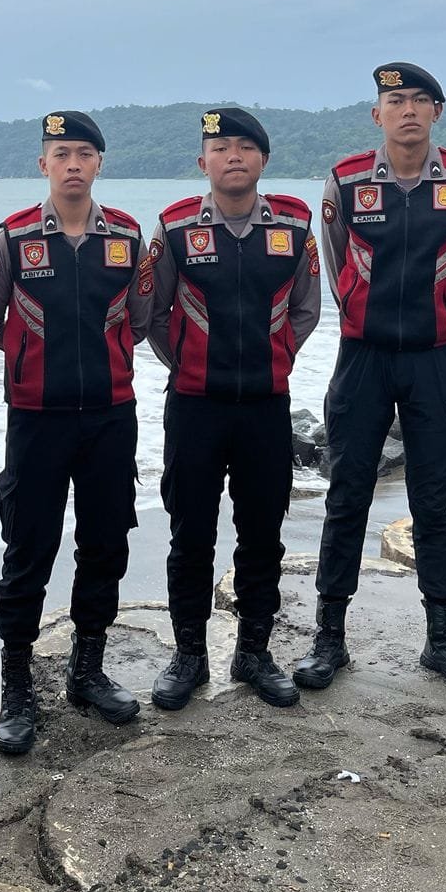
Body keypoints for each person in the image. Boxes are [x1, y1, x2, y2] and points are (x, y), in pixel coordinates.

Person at [294, 63, 446, 698]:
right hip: (363, 359)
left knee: (433, 502)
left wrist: (440, 314)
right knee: (347, 495)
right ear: (376, 113)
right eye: (395, 100)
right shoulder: (347, 179)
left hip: (435, 359)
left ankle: (443, 641)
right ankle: (330, 637)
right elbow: (335, 261)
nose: (407, 110)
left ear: (438, 112)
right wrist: (365, 317)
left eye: (419, 100)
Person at [0, 111, 151, 753]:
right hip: (36, 419)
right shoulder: (12, 237)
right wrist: (34, 363)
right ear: (43, 164)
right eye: (61, 153)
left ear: (99, 163)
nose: (73, 163)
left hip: (111, 416)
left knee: (105, 543)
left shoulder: (127, 235)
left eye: (84, 152)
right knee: (28, 547)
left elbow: (140, 318)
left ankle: (88, 670)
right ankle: (17, 684)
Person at [146, 108, 322, 711]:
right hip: (194, 407)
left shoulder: (294, 223)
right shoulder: (174, 226)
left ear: (263, 160)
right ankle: (188, 656)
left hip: (266, 408)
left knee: (262, 535)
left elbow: (306, 309)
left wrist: (277, 358)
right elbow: (154, 314)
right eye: (221, 147)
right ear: (203, 162)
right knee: (190, 534)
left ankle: (254, 653)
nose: (233, 156)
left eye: (245, 146)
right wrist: (190, 364)